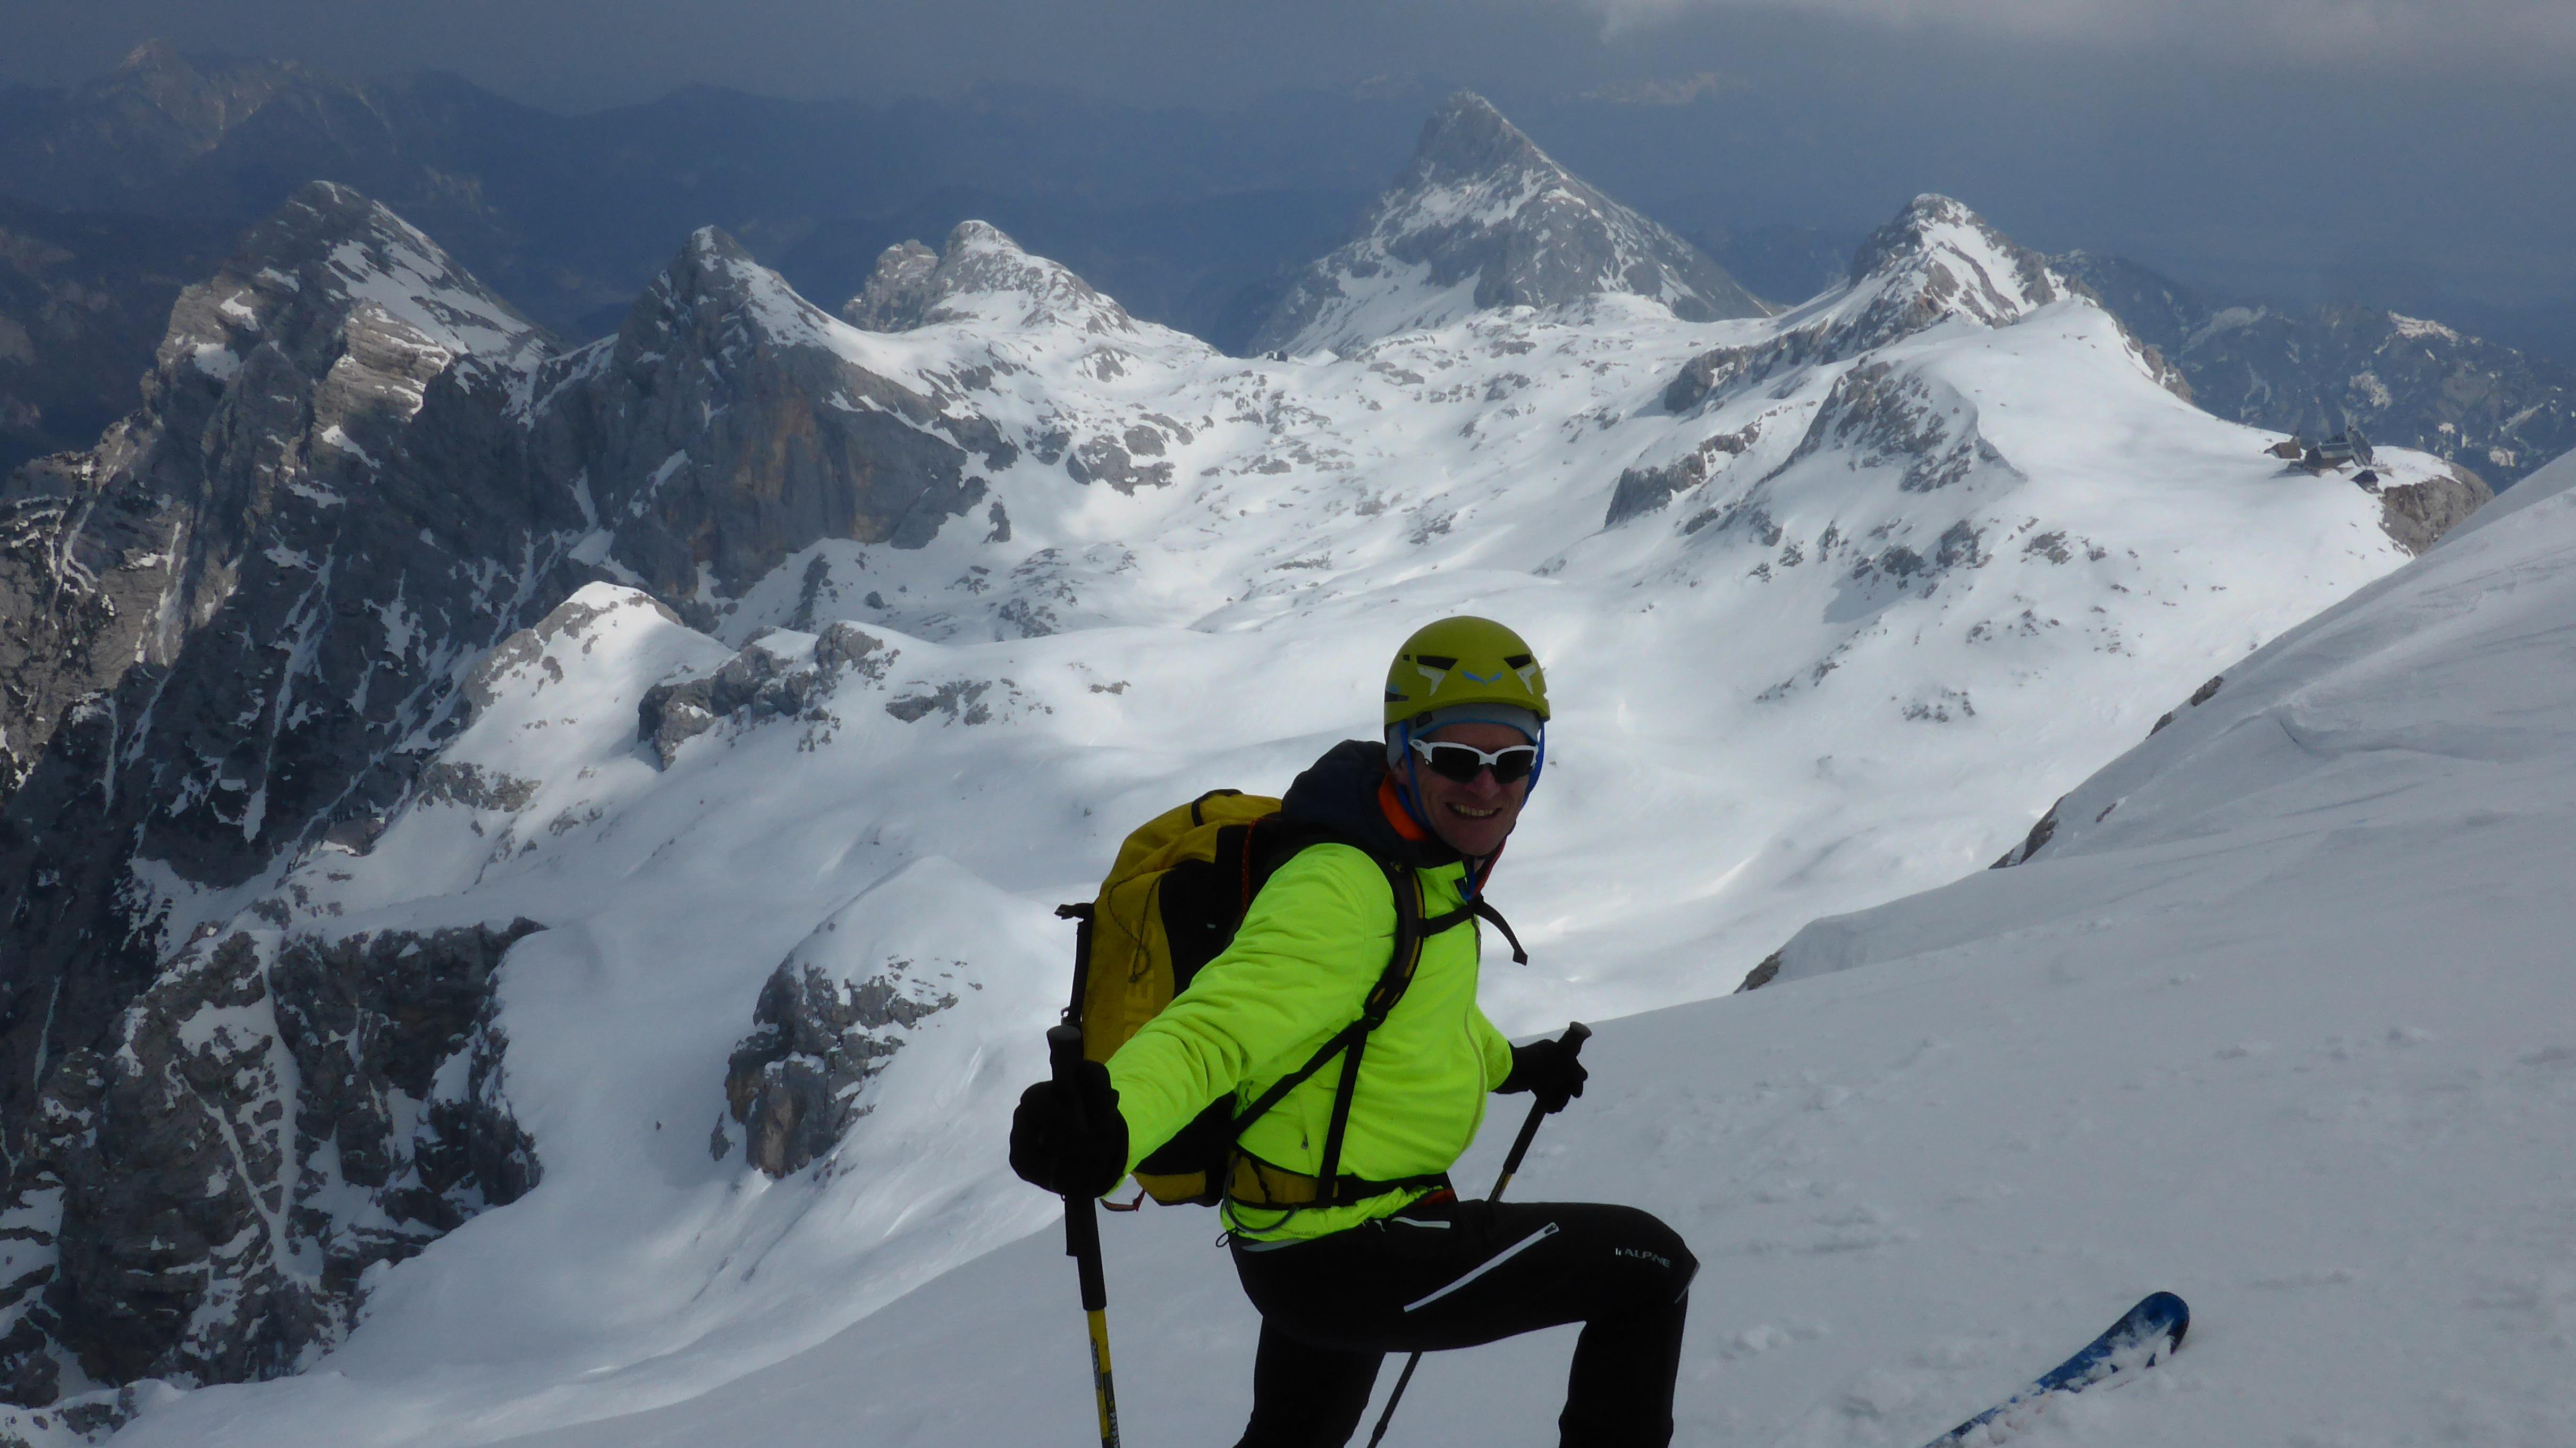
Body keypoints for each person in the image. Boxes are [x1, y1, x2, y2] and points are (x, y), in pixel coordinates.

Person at [1011, 616, 1697, 1448]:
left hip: (1317, 1238)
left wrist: (1515, 1066)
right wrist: (1110, 1118)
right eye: (1457, 759)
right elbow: (1218, 1028)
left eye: (1514, 762)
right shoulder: (1343, 887)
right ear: (1404, 753)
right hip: (1350, 1251)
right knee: (1650, 1268)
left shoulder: (1424, 865)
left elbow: (1420, 1013)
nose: (1488, 786)